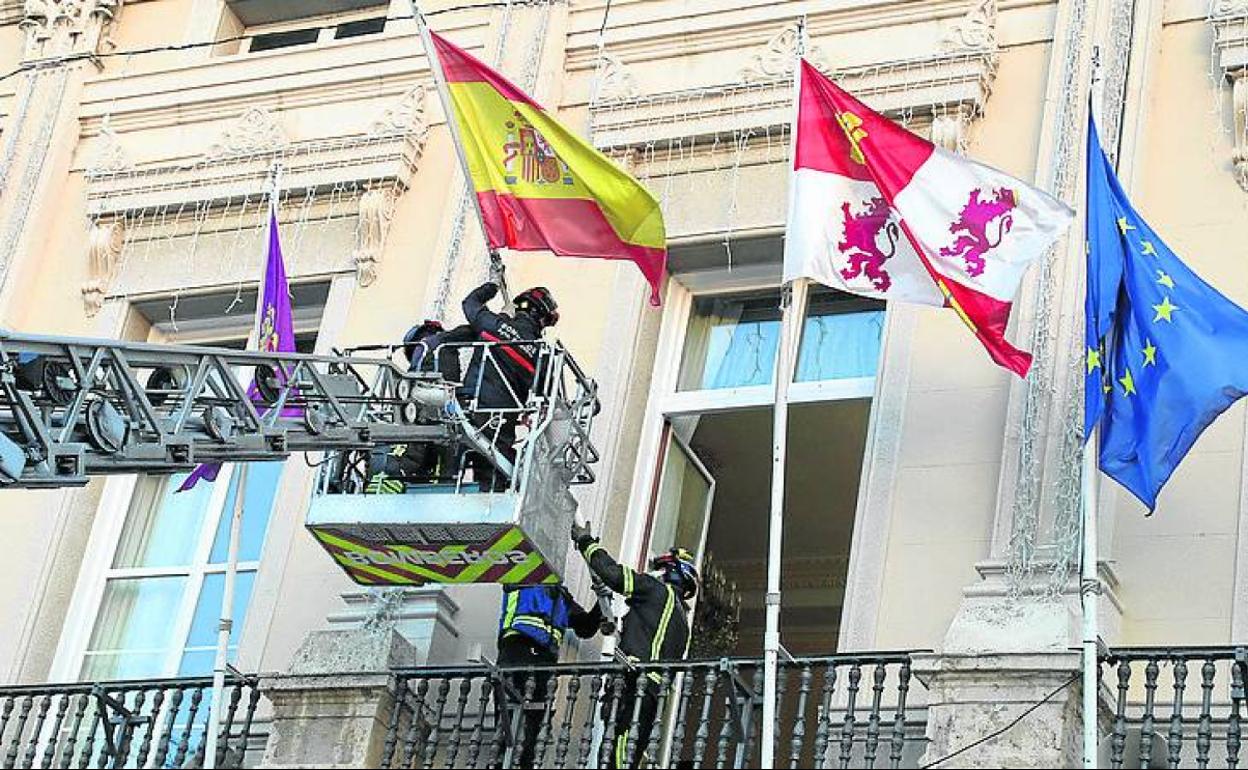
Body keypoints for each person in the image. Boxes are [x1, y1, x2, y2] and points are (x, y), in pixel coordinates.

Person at [570, 523, 697, 769]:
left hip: (634, 689)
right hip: (649, 697)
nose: (652, 574)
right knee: (621, 757)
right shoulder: (680, 621)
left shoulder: (657, 591)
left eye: (658, 569)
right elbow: (646, 640)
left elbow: (615, 575)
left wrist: (587, 543)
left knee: (614, 759)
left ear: (669, 572)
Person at [459, 281, 559, 491]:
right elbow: (549, 396)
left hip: (467, 409)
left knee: (451, 465)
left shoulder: (494, 324)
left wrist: (492, 288)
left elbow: (470, 303)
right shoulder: (541, 354)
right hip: (501, 422)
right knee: (493, 479)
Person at [495, 584, 602, 768]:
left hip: (544, 661)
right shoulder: (523, 576)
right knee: (509, 726)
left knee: (534, 730)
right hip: (517, 649)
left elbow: (585, 627)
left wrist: (602, 601)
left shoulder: (561, 596)